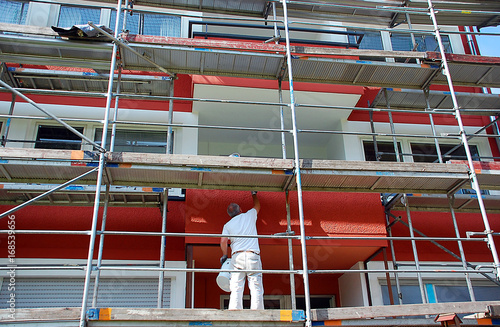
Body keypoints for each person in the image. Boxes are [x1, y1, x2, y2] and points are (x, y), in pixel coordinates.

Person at [220, 191, 263, 310]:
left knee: (236, 286)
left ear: (230, 214)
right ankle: (257, 312)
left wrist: (224, 255)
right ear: (241, 210)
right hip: (252, 255)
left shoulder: (227, 225)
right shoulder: (249, 215)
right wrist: (254, 194)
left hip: (237, 256)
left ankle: (234, 311)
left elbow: (223, 241)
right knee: (255, 285)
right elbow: (257, 206)